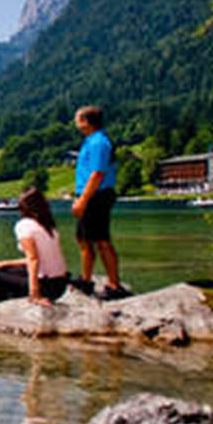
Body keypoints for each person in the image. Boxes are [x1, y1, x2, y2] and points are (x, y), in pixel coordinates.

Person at [71, 105, 127, 299]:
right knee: (84, 239)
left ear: (86, 121)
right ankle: (86, 280)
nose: (75, 122)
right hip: (92, 195)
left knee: (101, 240)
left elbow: (97, 174)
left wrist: (83, 200)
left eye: (78, 118)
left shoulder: (98, 143)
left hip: (97, 195)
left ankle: (114, 285)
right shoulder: (91, 141)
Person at [0, 187, 71, 305]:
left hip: (47, 287)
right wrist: (4, 264)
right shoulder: (49, 227)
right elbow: (40, 258)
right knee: (4, 269)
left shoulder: (24, 225)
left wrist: (35, 294)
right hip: (61, 283)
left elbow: (33, 259)